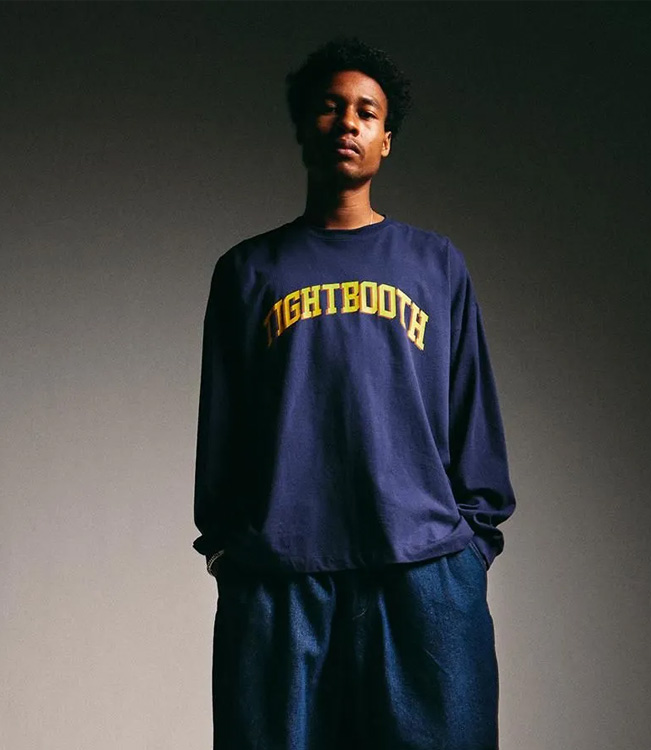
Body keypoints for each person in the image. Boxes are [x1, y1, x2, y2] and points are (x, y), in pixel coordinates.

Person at [193, 36, 517, 750]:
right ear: (302, 126)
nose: (347, 122)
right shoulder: (247, 271)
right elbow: (223, 428)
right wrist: (229, 551)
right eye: (330, 107)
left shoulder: (435, 263)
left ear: (386, 139)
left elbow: (472, 410)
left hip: (422, 571)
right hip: (282, 577)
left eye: (366, 112)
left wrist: (470, 548)